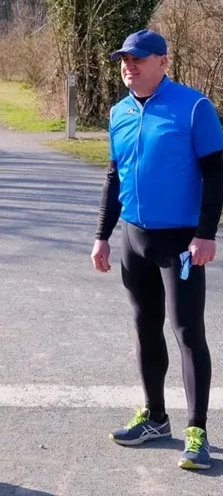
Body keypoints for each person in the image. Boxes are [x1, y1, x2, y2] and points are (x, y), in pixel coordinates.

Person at [91, 29, 222, 471]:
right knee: (145, 327)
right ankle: (155, 417)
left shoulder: (195, 108)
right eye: (125, 59)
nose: (129, 66)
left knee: (187, 333)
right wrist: (102, 235)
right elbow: (115, 177)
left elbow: (216, 176)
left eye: (139, 59)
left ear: (163, 61)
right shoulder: (119, 113)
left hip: (180, 242)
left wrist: (207, 233)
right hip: (134, 238)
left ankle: (198, 432)